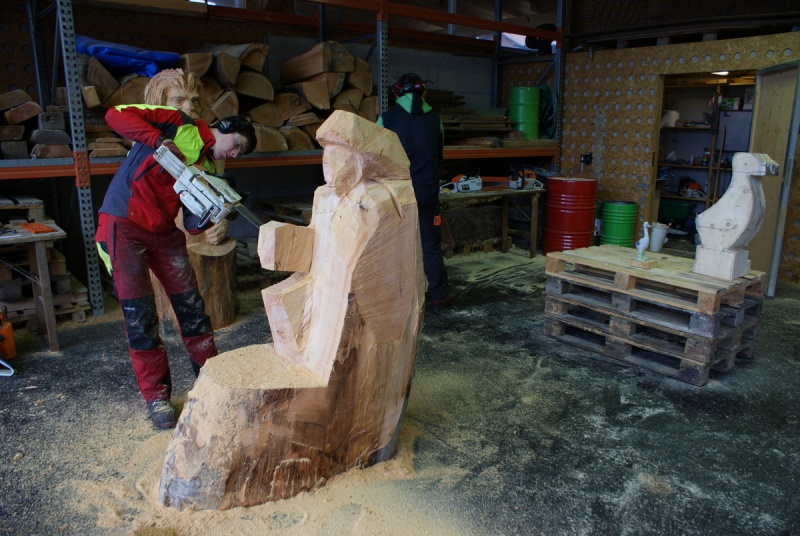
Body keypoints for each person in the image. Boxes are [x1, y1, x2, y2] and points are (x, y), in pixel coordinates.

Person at [96, 104, 256, 429]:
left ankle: (211, 380)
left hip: (164, 230)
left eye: (240, 153)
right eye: (237, 144)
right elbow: (115, 114)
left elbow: (192, 224)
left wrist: (215, 211)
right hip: (124, 222)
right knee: (140, 317)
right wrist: (158, 141)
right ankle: (157, 397)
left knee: (192, 308)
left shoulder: (207, 166)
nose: (235, 153)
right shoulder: (177, 121)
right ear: (225, 127)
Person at [377, 73, 458, 309]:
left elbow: (375, 157)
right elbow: (439, 156)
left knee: (393, 245)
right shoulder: (435, 118)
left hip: (395, 194)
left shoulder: (386, 119)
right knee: (430, 245)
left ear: (397, 92)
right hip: (426, 192)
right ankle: (439, 295)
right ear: (423, 91)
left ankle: (393, 299)